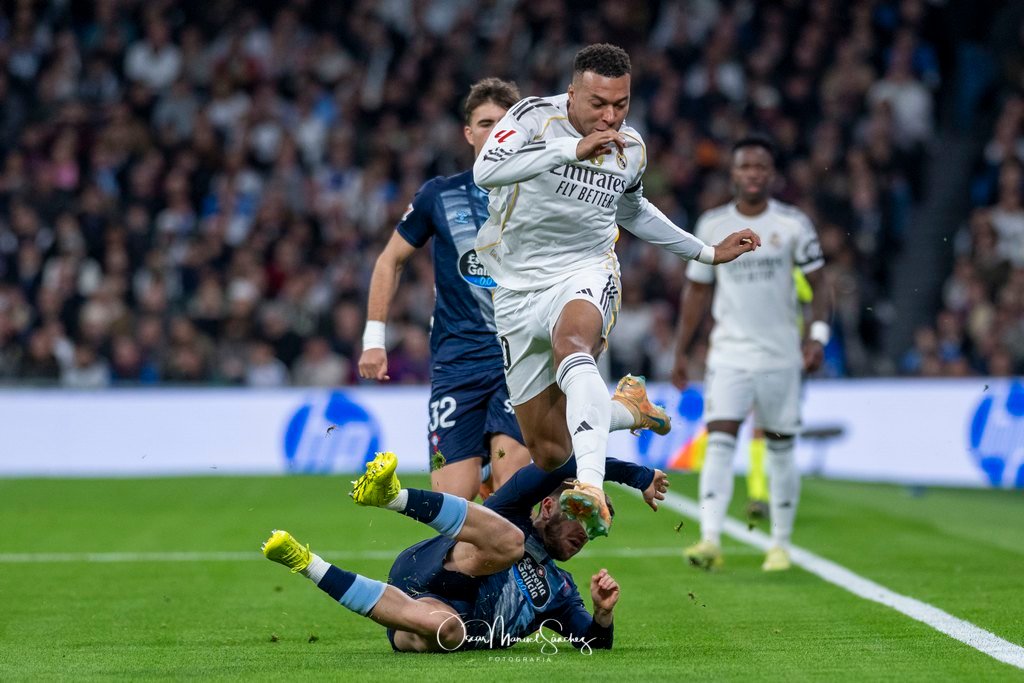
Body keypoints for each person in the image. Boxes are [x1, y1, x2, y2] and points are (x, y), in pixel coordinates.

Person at [473, 43, 759, 539]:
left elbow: (632, 211)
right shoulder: (532, 118)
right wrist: (571, 149)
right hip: (516, 290)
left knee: (573, 345)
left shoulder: (631, 148)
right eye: (598, 104)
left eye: (621, 104)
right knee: (549, 451)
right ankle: (630, 409)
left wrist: (706, 252)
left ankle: (589, 485)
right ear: (572, 94)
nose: (610, 116)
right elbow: (485, 171)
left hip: (586, 269)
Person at [262, 450, 669, 653]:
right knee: (511, 543)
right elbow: (560, 463)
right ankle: (392, 497)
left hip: (430, 614)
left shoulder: (560, 591)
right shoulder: (514, 510)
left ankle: (307, 563)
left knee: (446, 632)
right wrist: (635, 475)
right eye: (583, 514)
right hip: (434, 565)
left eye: (596, 528)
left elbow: (592, 643)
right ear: (548, 506)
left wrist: (602, 613)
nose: (586, 533)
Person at [358, 78, 531, 500]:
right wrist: (374, 340)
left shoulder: (540, 194)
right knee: (453, 503)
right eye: (485, 123)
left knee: (512, 490)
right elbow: (389, 260)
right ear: (469, 133)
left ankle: (504, 485)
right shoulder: (440, 195)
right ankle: (482, 477)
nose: (495, 131)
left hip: (521, 358)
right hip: (457, 365)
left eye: (504, 123)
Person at [671, 136, 833, 572]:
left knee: (780, 447)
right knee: (720, 439)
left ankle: (779, 544)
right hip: (729, 353)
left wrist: (817, 337)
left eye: (761, 166)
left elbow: (820, 286)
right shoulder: (712, 224)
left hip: (781, 355)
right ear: (733, 173)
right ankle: (709, 539)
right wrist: (681, 351)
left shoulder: (793, 224)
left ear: (771, 173)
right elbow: (697, 291)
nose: (753, 174)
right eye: (745, 166)